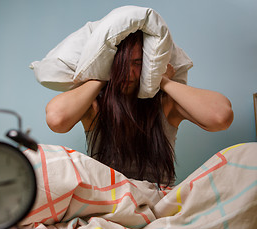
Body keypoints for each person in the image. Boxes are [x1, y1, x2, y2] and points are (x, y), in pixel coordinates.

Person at [45, 30, 234, 187]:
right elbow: (56, 119)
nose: (129, 73)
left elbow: (221, 116)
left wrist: (162, 80)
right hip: (110, 201)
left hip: (158, 202)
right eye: (121, 64)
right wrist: (102, 75)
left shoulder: (166, 105)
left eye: (138, 63)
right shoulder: (96, 106)